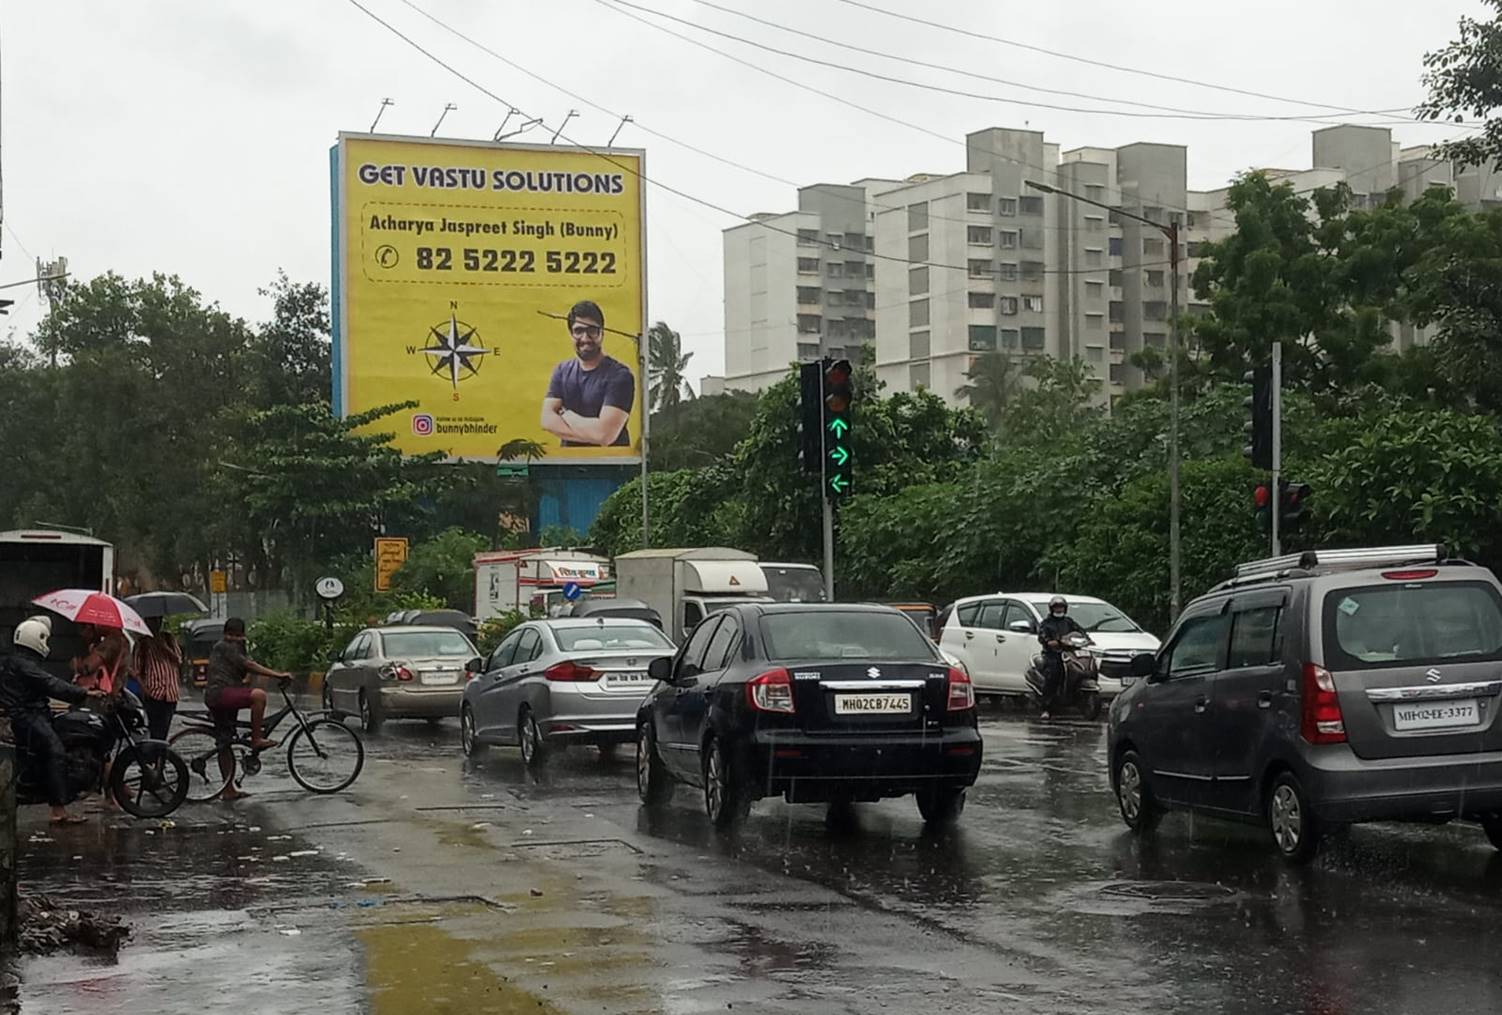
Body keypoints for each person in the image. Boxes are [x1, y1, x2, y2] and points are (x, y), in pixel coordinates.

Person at [1, 616, 102, 824]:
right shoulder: (25, 665)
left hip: (28, 714)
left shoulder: (18, 661)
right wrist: (83, 693)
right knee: (55, 751)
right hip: (27, 717)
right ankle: (58, 810)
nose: (46, 645)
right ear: (36, 639)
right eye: (44, 639)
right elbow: (52, 684)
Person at [203, 617, 291, 801]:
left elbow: (247, 666)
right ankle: (256, 738)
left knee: (224, 741)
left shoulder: (232, 647)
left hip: (223, 694)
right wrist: (277, 674)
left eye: (238, 636)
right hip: (220, 693)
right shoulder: (224, 647)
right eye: (232, 636)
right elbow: (248, 665)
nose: (235, 639)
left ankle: (228, 790)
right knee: (259, 696)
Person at [539, 300, 635, 448]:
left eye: (592, 330)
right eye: (578, 331)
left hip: (611, 465)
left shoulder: (620, 376)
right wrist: (593, 433)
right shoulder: (562, 371)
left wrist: (565, 414)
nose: (585, 338)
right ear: (571, 334)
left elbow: (605, 435)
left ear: (602, 333)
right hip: (567, 464)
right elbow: (546, 420)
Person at [133, 616, 182, 740]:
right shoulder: (142, 643)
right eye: (152, 621)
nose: (155, 624)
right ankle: (154, 757)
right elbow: (136, 671)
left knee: (164, 731)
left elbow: (178, 660)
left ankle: (161, 757)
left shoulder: (169, 639)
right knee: (155, 731)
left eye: (158, 620)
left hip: (171, 694)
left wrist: (163, 647)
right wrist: (145, 689)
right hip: (154, 694)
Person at [1037, 596, 1084, 721]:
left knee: (1081, 668)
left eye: (1061, 607)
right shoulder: (1046, 623)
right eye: (1057, 607)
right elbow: (1042, 636)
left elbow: (1080, 632)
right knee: (1053, 674)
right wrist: (1050, 641)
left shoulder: (1069, 622)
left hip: (1069, 653)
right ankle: (1046, 708)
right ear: (1052, 608)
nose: (1059, 609)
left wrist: (1087, 640)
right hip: (1053, 654)